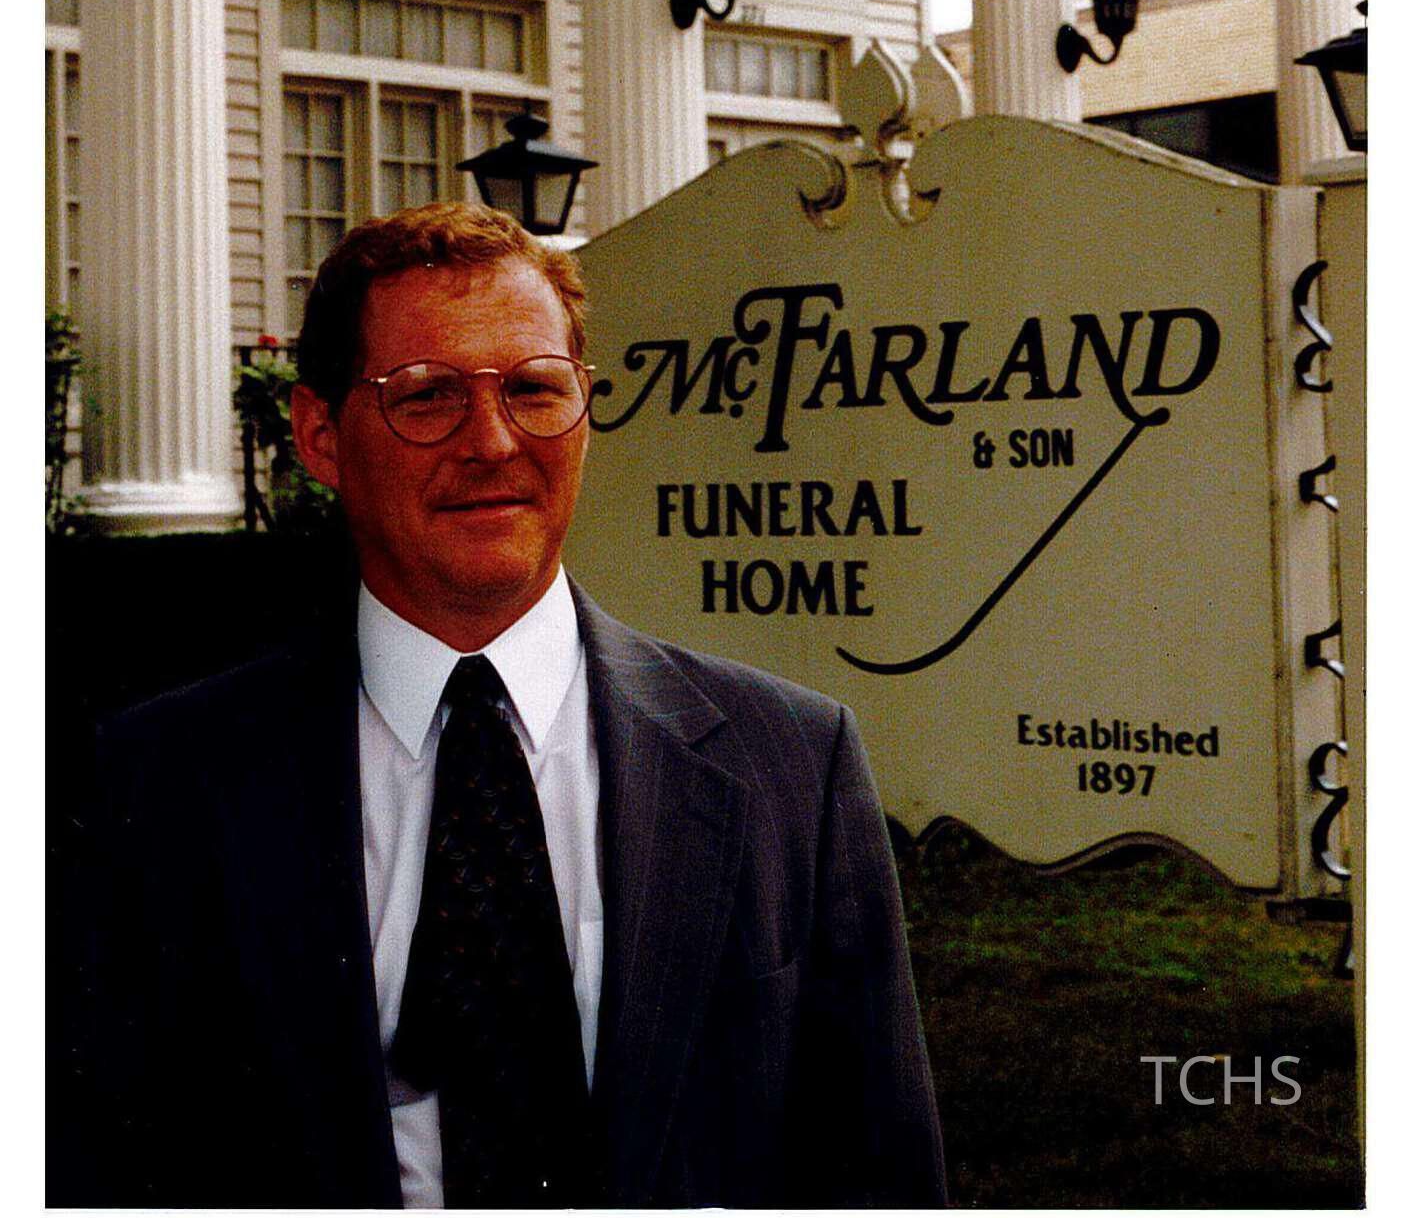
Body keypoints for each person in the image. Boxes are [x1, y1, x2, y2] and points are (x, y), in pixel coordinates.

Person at [89, 202, 946, 1208]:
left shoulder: (788, 762)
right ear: (320, 436)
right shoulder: (162, 782)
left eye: (535, 389)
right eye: (427, 396)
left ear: (585, 412)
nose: (493, 441)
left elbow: (881, 1178)